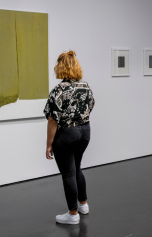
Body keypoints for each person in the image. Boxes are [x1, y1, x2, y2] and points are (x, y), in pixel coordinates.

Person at [44, 50, 95, 225]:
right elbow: (91, 105)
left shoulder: (59, 90)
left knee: (68, 173)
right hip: (85, 131)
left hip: (67, 134)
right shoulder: (85, 86)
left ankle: (73, 214)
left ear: (61, 67)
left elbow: (52, 120)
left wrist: (49, 144)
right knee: (77, 167)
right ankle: (83, 204)